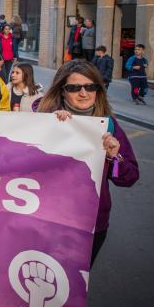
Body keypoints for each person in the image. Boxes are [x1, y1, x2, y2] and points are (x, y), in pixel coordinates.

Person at [36, 60, 139, 265]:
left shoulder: (109, 124)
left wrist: (114, 157)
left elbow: (129, 177)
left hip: (91, 222)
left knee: (76, 285)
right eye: (75, 88)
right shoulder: (42, 117)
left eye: (90, 86)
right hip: (47, 218)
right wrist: (49, 125)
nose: (84, 93)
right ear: (63, 91)